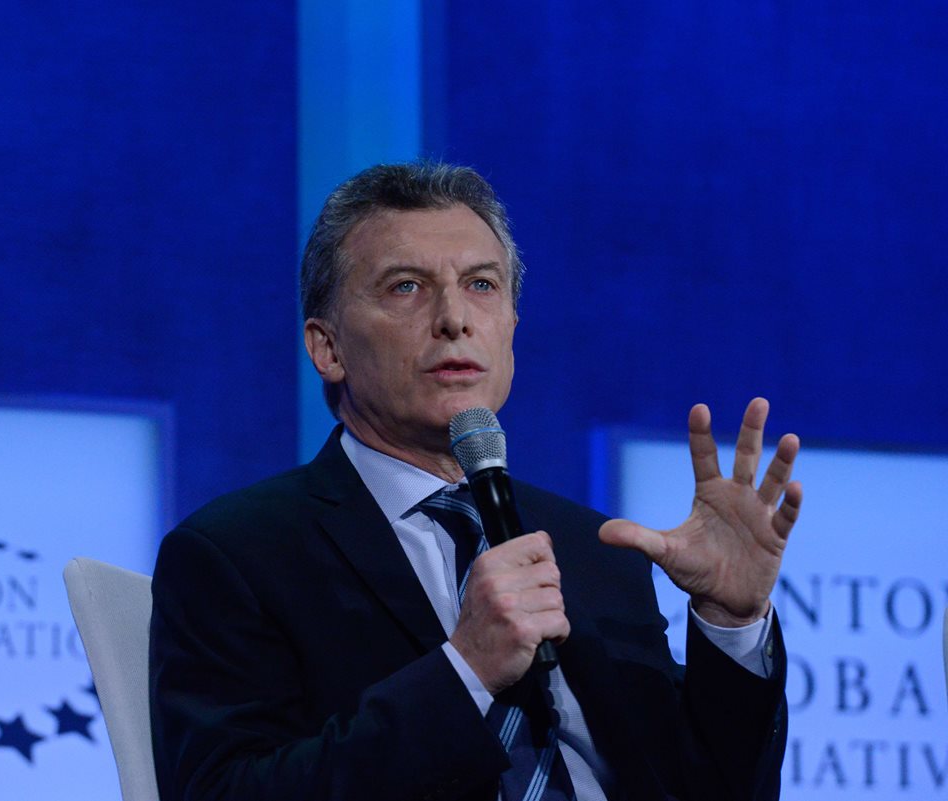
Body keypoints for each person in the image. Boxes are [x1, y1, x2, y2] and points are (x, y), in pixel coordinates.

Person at [149, 162, 802, 801]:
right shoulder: (238, 555)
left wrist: (730, 623)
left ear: (511, 328)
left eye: (482, 285)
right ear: (328, 348)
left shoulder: (593, 550)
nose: (455, 318)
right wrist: (466, 670)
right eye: (406, 286)